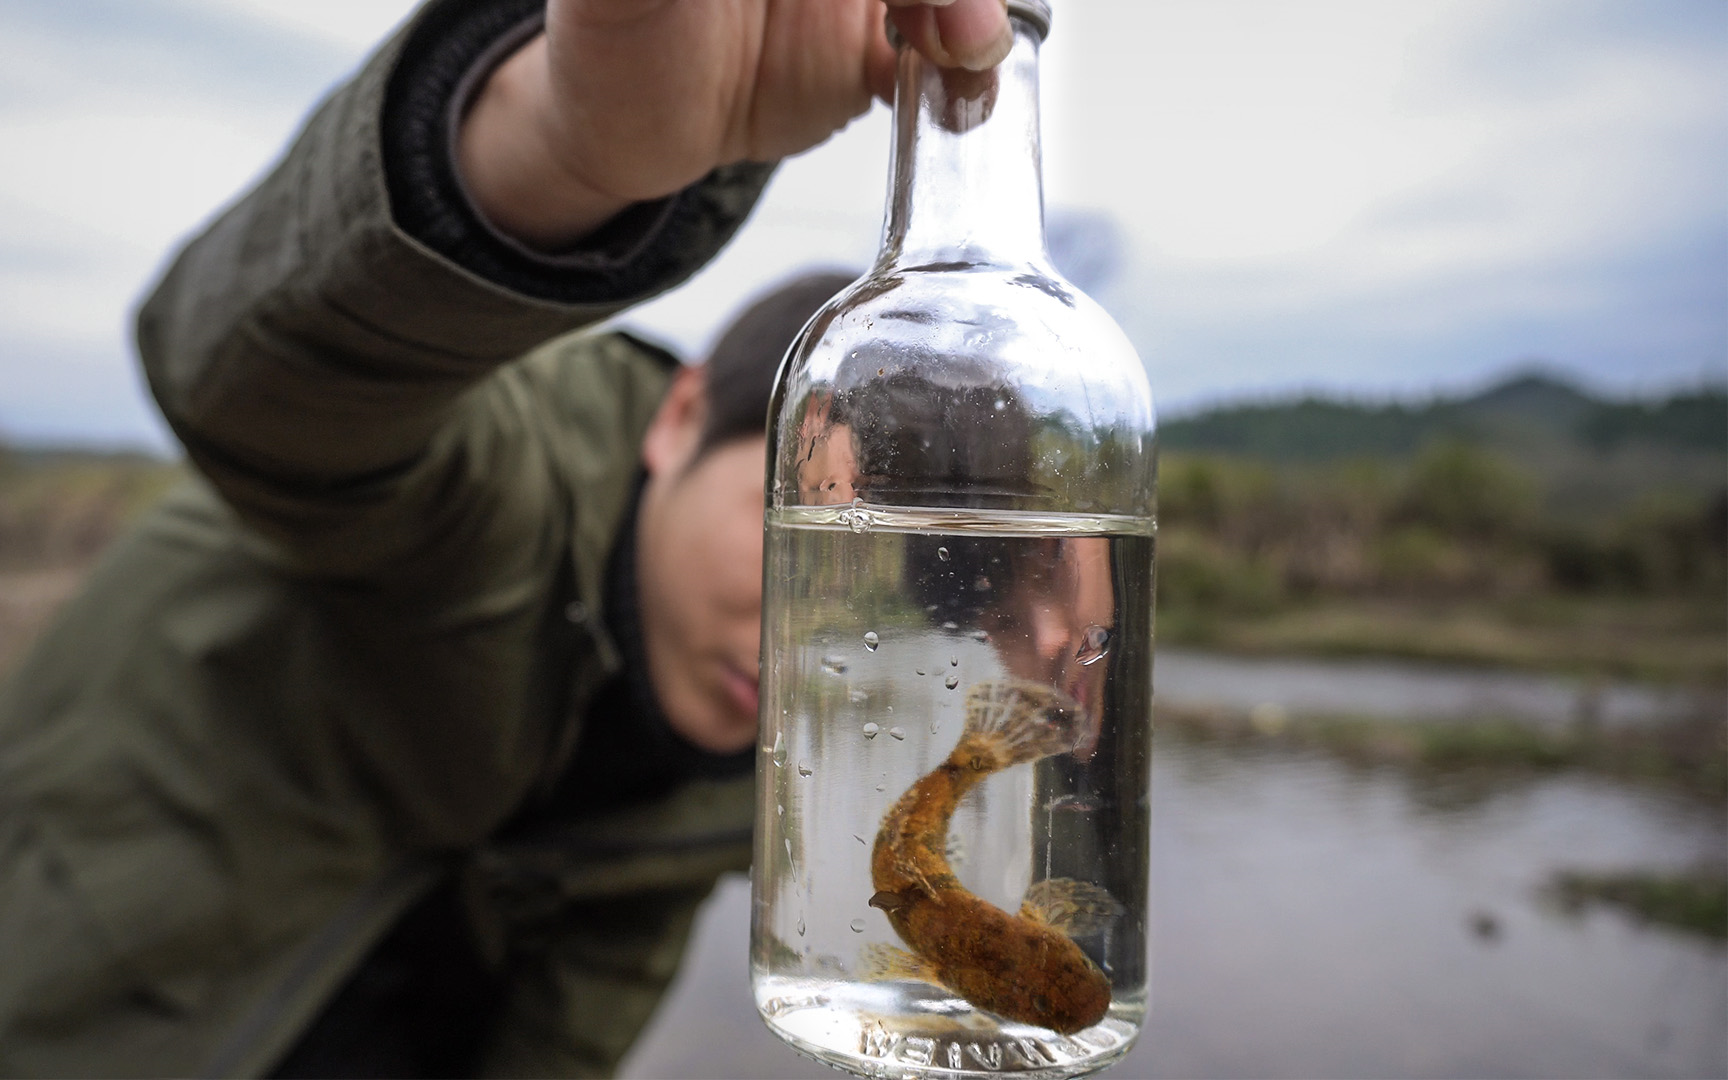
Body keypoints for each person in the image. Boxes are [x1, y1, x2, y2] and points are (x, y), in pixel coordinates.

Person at [0, 1, 1013, 1075]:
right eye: (798, 537)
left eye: (880, 600)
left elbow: (580, 1013)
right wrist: (552, 152)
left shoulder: (740, 771)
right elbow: (247, 379)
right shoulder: (496, 478)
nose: (797, 642)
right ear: (676, 423)